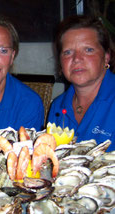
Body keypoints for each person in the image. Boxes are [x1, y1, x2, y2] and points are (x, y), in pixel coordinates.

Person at [47, 15, 115, 152]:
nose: (77, 59)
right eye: (68, 52)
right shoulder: (57, 107)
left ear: (106, 56)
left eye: (88, 50)